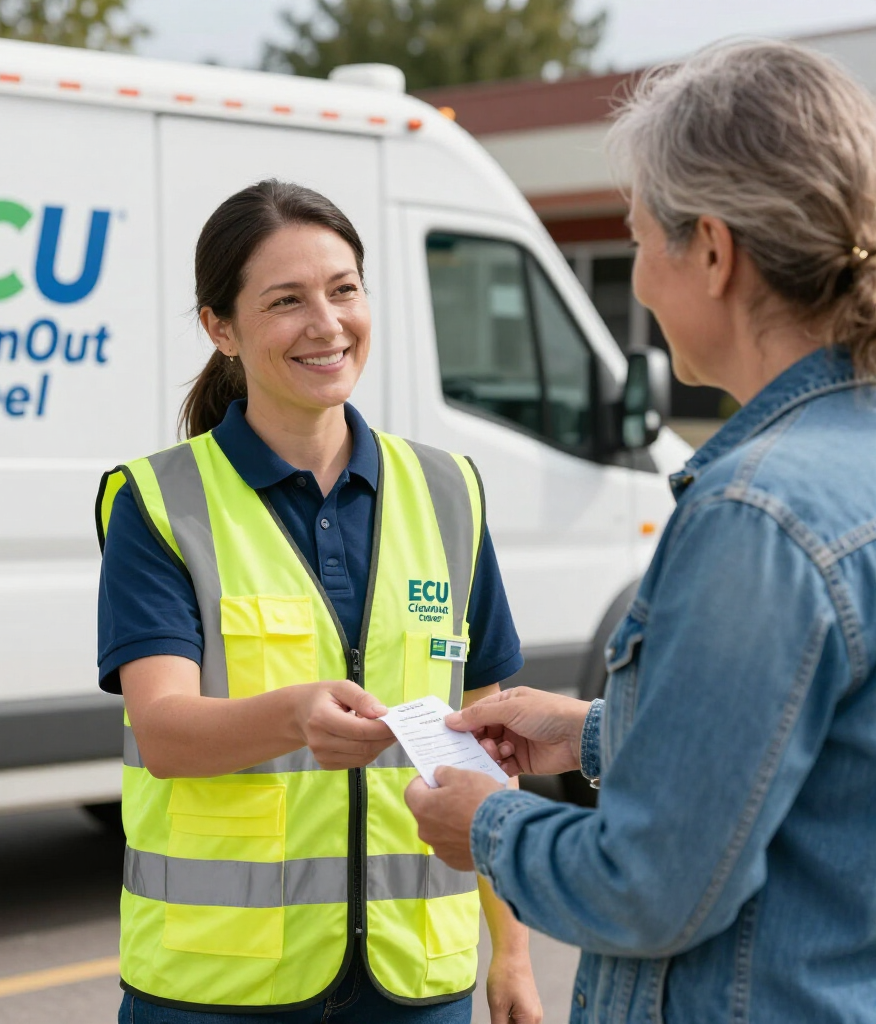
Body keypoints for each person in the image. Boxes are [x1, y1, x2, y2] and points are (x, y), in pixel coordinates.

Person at [404, 40, 876, 1023]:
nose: (641, 285)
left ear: (710, 249)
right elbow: (825, 757)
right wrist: (590, 733)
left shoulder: (755, 513)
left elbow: (648, 885)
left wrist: (485, 823)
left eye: (636, 241)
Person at [96, 180, 542, 1023]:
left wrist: (512, 951)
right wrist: (296, 714)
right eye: (286, 301)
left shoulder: (449, 492)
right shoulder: (159, 503)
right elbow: (163, 733)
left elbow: (491, 736)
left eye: (344, 290)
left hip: (416, 984)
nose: (327, 323)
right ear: (220, 328)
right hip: (218, 990)